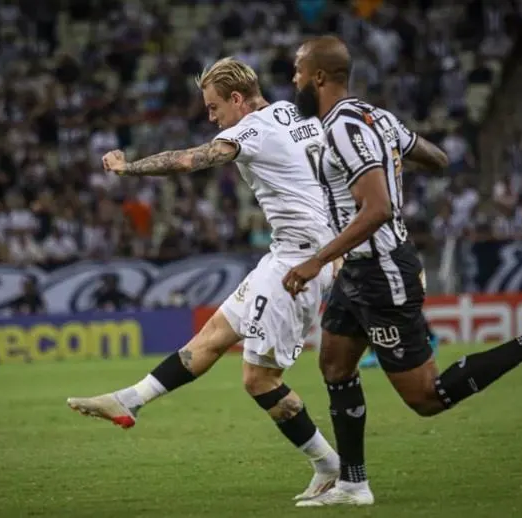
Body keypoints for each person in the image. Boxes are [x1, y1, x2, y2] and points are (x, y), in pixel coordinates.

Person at [282, 36, 522, 507]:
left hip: (381, 269)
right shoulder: (375, 117)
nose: (295, 80)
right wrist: (391, 159)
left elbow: (379, 208)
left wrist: (316, 260)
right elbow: (437, 158)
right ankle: (353, 483)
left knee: (426, 397)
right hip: (360, 269)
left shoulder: (345, 128)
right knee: (334, 363)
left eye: (299, 72)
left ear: (320, 77)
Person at [67, 57, 341, 501]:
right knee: (212, 337)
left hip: (299, 263)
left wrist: (127, 167)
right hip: (291, 254)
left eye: (214, 108)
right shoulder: (296, 114)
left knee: (259, 380)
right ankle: (130, 400)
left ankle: (330, 467)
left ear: (237, 100)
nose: (212, 118)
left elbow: (188, 161)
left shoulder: (248, 130)